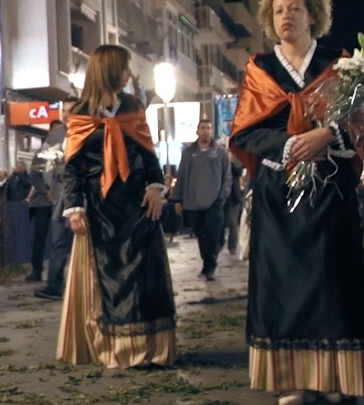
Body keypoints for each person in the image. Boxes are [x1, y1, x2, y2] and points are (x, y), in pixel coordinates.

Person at [230, 0, 364, 405]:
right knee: (286, 284)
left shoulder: (338, 64)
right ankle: (296, 380)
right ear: (271, 18)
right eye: (279, 10)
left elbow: (357, 122)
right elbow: (245, 130)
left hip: (330, 189)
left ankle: (338, 377)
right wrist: (287, 146)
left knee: (334, 279)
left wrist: (328, 136)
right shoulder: (258, 69)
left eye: (295, 9)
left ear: (313, 16)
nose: (287, 16)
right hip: (279, 193)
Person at [60, 45, 177, 369]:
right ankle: (117, 352)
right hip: (101, 209)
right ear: (111, 69)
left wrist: (157, 188)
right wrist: (75, 207)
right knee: (112, 280)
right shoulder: (81, 112)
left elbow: (150, 156)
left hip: (140, 205)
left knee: (146, 277)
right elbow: (72, 168)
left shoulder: (134, 106)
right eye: (125, 67)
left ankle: (152, 349)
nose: (130, 74)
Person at [172, 119, 232, 280]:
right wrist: (177, 199)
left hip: (214, 203)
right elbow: (182, 176)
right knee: (201, 236)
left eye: (209, 128)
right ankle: (208, 262)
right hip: (193, 203)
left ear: (212, 131)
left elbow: (227, 175)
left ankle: (209, 266)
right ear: (197, 131)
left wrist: (222, 196)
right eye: (203, 128)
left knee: (211, 235)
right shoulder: (188, 152)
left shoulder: (220, 152)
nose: (206, 131)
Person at [36, 117, 72, 301]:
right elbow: (43, 164)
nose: (68, 115)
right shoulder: (57, 136)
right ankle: (54, 285)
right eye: (65, 111)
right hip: (61, 197)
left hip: (81, 196)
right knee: (58, 242)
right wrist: (48, 188)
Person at [222, 154, 245, 255]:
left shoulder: (235, 161)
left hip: (233, 196)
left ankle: (232, 246)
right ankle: (219, 243)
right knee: (220, 223)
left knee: (233, 223)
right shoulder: (220, 162)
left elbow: (238, 171)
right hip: (221, 196)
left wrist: (230, 162)